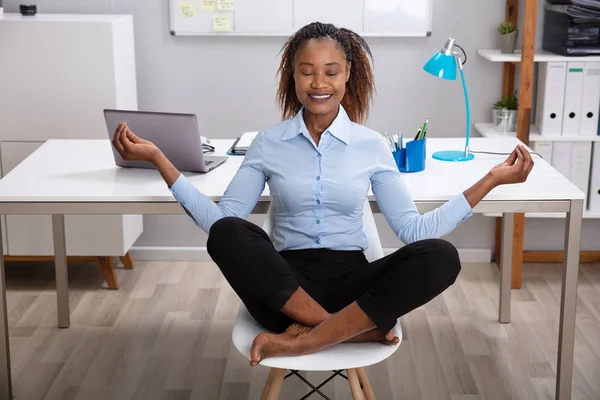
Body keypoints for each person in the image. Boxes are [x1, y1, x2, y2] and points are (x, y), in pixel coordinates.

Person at [111, 22, 533, 367]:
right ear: (292, 75)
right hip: (282, 292)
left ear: (348, 75)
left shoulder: (371, 145)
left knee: (442, 255)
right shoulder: (268, 142)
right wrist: (157, 158)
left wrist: (492, 179)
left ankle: (303, 342)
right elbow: (226, 220)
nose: (319, 82)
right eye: (307, 70)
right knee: (227, 234)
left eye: (331, 71)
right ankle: (337, 330)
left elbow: (413, 229)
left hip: (355, 287)